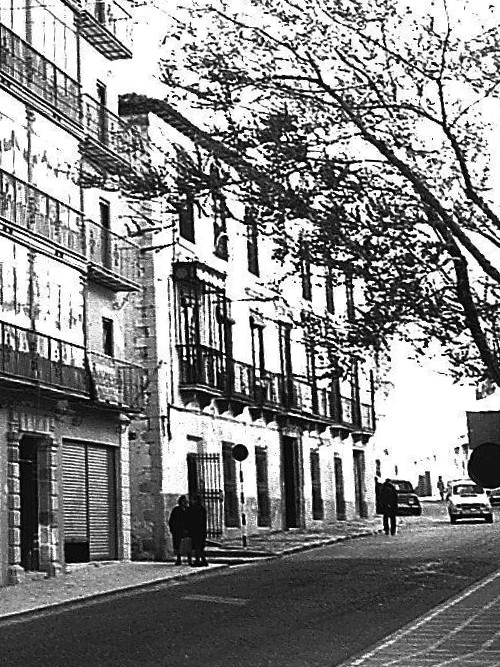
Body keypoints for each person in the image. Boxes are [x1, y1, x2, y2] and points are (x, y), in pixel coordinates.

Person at [168, 495, 191, 566]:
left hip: (186, 530)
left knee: (187, 545)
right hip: (177, 531)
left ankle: (189, 559)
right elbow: (172, 520)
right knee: (177, 545)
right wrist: (173, 529)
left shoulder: (188, 510)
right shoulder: (176, 510)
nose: (185, 503)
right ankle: (179, 559)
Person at [186, 493, 208, 567]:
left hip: (195, 530)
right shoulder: (202, 508)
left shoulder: (193, 509)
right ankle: (202, 560)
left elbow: (190, 520)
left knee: (197, 546)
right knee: (199, 547)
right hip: (201, 530)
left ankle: (199, 560)